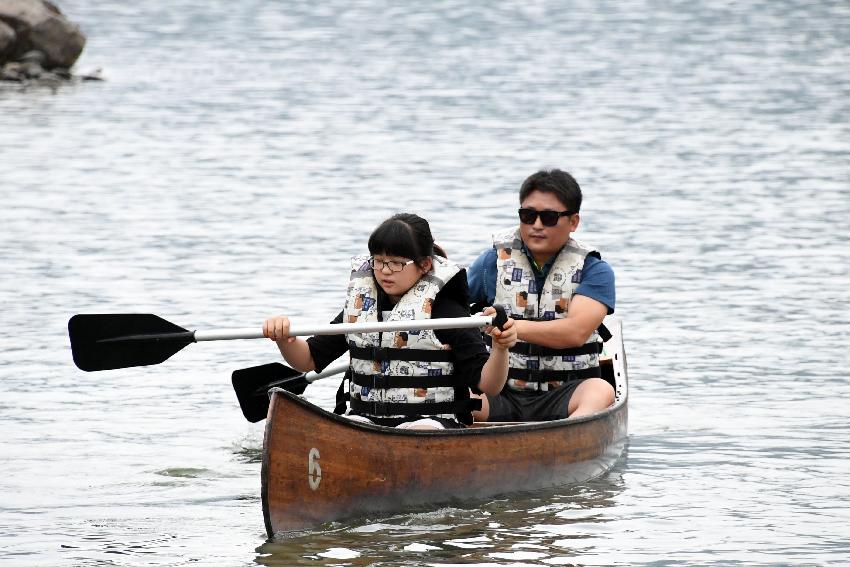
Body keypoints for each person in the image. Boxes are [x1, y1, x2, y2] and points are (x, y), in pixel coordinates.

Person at [264, 213, 517, 430]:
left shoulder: (446, 312)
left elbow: (489, 385)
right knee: (350, 426)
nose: (385, 271)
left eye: (396, 263)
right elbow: (308, 359)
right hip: (367, 420)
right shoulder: (361, 309)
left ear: (424, 265)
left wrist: (501, 348)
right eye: (379, 261)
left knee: (421, 431)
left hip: (432, 423)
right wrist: (285, 339)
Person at [467, 169, 616, 421]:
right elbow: (449, 306)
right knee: (452, 394)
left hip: (567, 394)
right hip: (500, 393)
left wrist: (513, 329)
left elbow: (576, 332)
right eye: (528, 215)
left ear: (573, 222)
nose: (536, 225)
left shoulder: (594, 270)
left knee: (602, 391)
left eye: (548, 217)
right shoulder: (490, 262)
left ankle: (570, 434)